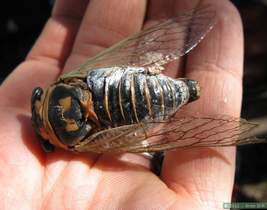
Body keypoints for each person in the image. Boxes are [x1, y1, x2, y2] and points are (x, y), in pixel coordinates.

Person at [0, 0, 244, 209]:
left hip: (127, 112)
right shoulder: (69, 81)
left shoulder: (75, 144)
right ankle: (177, 92)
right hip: (125, 86)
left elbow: (118, 141)